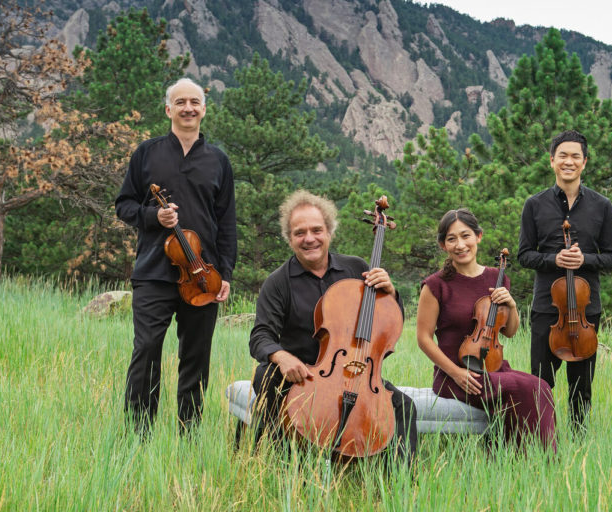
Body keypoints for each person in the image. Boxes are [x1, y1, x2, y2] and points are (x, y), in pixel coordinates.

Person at [249, 190, 417, 461]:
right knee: (265, 375)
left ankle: (399, 480)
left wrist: (392, 293)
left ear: (329, 231)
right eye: (299, 232)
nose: (309, 239)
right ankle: (280, 461)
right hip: (303, 373)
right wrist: (281, 356)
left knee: (404, 406)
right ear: (289, 238)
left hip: (356, 371)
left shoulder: (357, 268)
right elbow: (260, 335)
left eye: (317, 230)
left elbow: (389, 323)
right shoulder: (278, 282)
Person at [115, 77, 236, 435]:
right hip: (153, 272)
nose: (188, 108)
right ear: (168, 109)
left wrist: (225, 273)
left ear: (203, 110)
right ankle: (138, 435)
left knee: (196, 357)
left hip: (203, 275)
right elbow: (123, 205)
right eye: (180, 102)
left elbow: (226, 221)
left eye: (195, 102)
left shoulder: (218, 161)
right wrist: (154, 217)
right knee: (147, 350)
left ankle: (190, 435)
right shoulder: (147, 153)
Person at [416, 208, 556, 450]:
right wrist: (455, 373)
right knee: (529, 389)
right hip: (456, 376)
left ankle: (528, 459)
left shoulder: (496, 278)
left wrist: (511, 305)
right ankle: (530, 460)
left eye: (466, 236)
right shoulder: (435, 285)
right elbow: (423, 338)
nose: (460, 245)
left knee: (541, 386)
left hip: (493, 369)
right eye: (452, 239)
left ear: (478, 237)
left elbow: (509, 332)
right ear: (443, 245)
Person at [518, 129, 612, 436]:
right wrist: (554, 260)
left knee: (581, 387)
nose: (569, 161)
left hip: (586, 312)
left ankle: (579, 443)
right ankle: (539, 443)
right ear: (552, 161)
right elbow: (524, 255)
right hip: (547, 309)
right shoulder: (534, 205)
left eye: (575, 156)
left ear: (585, 162)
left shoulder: (602, 206)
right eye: (562, 155)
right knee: (540, 384)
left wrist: (585, 260)